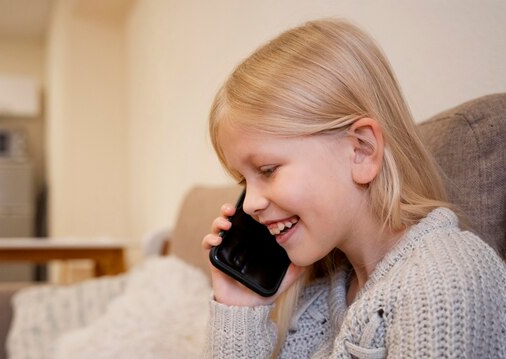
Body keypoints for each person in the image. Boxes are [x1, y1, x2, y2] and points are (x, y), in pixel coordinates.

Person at [201, 19, 506, 358]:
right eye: (244, 181)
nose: (248, 205)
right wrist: (239, 312)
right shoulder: (319, 294)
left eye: (267, 170)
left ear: (361, 150)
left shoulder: (441, 284)